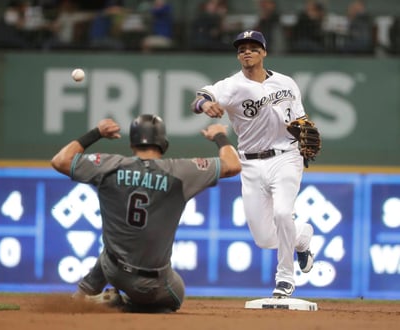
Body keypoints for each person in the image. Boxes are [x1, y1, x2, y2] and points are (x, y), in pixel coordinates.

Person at [51, 114, 241, 312]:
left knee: (113, 249)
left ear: (132, 144)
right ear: (163, 144)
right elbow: (234, 164)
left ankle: (83, 294)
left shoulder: (109, 166)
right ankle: (122, 305)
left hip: (112, 269)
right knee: (175, 297)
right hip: (150, 284)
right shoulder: (180, 171)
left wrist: (96, 133)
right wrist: (219, 136)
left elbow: (60, 160)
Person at [190, 30, 317, 298]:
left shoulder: (286, 83)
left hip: (286, 156)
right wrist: (204, 105)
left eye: (253, 47)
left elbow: (301, 122)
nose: (246, 52)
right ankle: (302, 237)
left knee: (283, 213)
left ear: (264, 52)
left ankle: (284, 278)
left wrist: (303, 139)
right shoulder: (231, 86)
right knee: (265, 238)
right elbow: (199, 98)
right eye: (242, 48)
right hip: (250, 164)